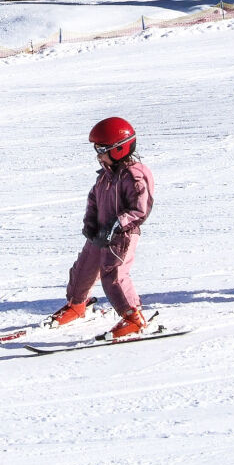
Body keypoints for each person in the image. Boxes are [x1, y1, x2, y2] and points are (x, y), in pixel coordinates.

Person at [50, 117, 155, 339]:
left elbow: (139, 209)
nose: (98, 154)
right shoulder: (106, 176)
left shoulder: (134, 175)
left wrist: (116, 225)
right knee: (83, 268)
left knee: (113, 274)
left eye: (102, 149)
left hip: (122, 236)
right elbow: (94, 200)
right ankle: (77, 305)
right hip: (101, 233)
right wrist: (90, 223)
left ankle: (132, 317)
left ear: (119, 149)